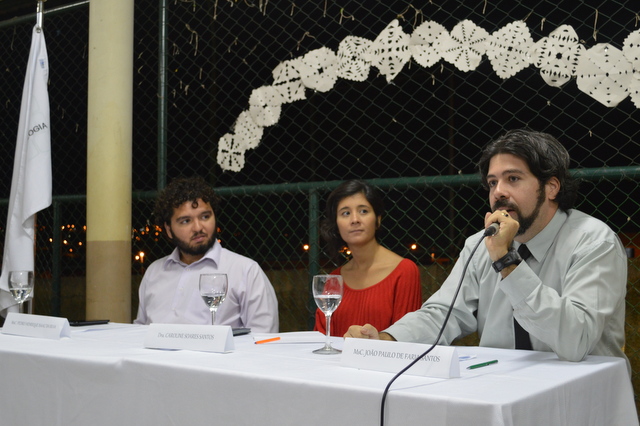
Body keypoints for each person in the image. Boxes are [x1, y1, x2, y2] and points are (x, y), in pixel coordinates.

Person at [345, 129, 629, 367]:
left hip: (577, 393)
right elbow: (443, 314)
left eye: (513, 179)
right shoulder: (480, 244)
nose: (498, 192)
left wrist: (506, 262)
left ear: (551, 187)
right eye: (493, 182)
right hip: (501, 389)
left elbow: (576, 340)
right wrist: (387, 340)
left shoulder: (594, 241)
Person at [134, 176, 279, 332]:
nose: (198, 228)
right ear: (169, 230)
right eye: (186, 221)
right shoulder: (154, 272)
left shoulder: (246, 271)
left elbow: (263, 338)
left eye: (205, 217)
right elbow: (139, 332)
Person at [314, 179, 422, 337]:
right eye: (345, 213)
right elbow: (321, 339)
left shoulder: (404, 271)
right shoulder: (334, 280)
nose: (355, 220)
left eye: (363, 211)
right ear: (336, 224)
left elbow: (406, 339)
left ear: (378, 219)